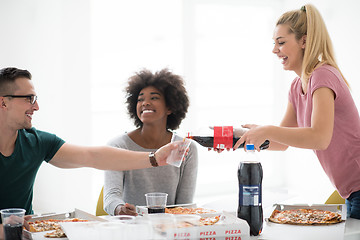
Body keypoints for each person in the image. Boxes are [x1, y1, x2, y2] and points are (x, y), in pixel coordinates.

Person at [0, 67, 179, 235]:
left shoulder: (36, 141)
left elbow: (93, 156)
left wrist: (154, 158)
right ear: (3, 103)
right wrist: (5, 230)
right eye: (28, 98)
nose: (36, 106)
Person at [233, 4, 360, 219]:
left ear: (304, 41)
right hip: (350, 191)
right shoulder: (296, 86)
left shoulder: (322, 76)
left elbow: (319, 138)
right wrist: (234, 138)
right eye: (274, 43)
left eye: (281, 43)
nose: (275, 50)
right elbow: (280, 142)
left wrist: (266, 130)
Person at [104, 69, 198, 216]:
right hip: (130, 227)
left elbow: (184, 206)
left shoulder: (186, 148)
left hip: (170, 230)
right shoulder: (118, 146)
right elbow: (111, 197)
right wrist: (120, 209)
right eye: (140, 99)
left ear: (170, 107)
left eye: (154, 98)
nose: (145, 103)